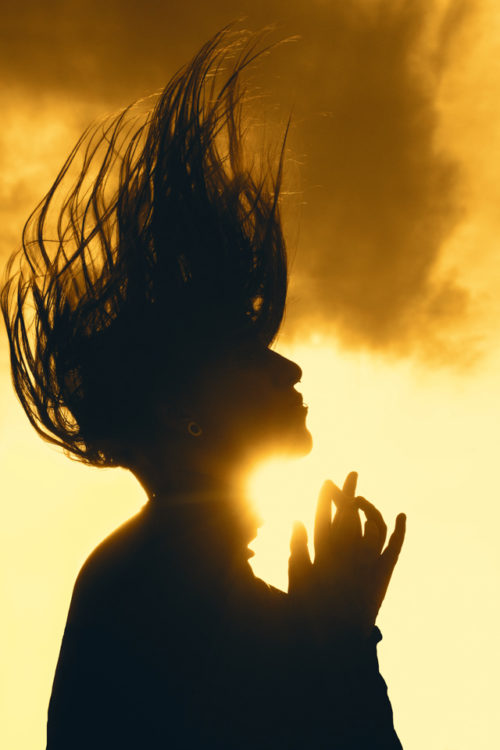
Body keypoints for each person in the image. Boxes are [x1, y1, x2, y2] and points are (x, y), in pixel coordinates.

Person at [1, 28, 406, 749]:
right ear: (187, 412)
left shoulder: (147, 577)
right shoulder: (162, 592)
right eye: (251, 358)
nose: (290, 371)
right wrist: (340, 638)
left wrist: (331, 632)